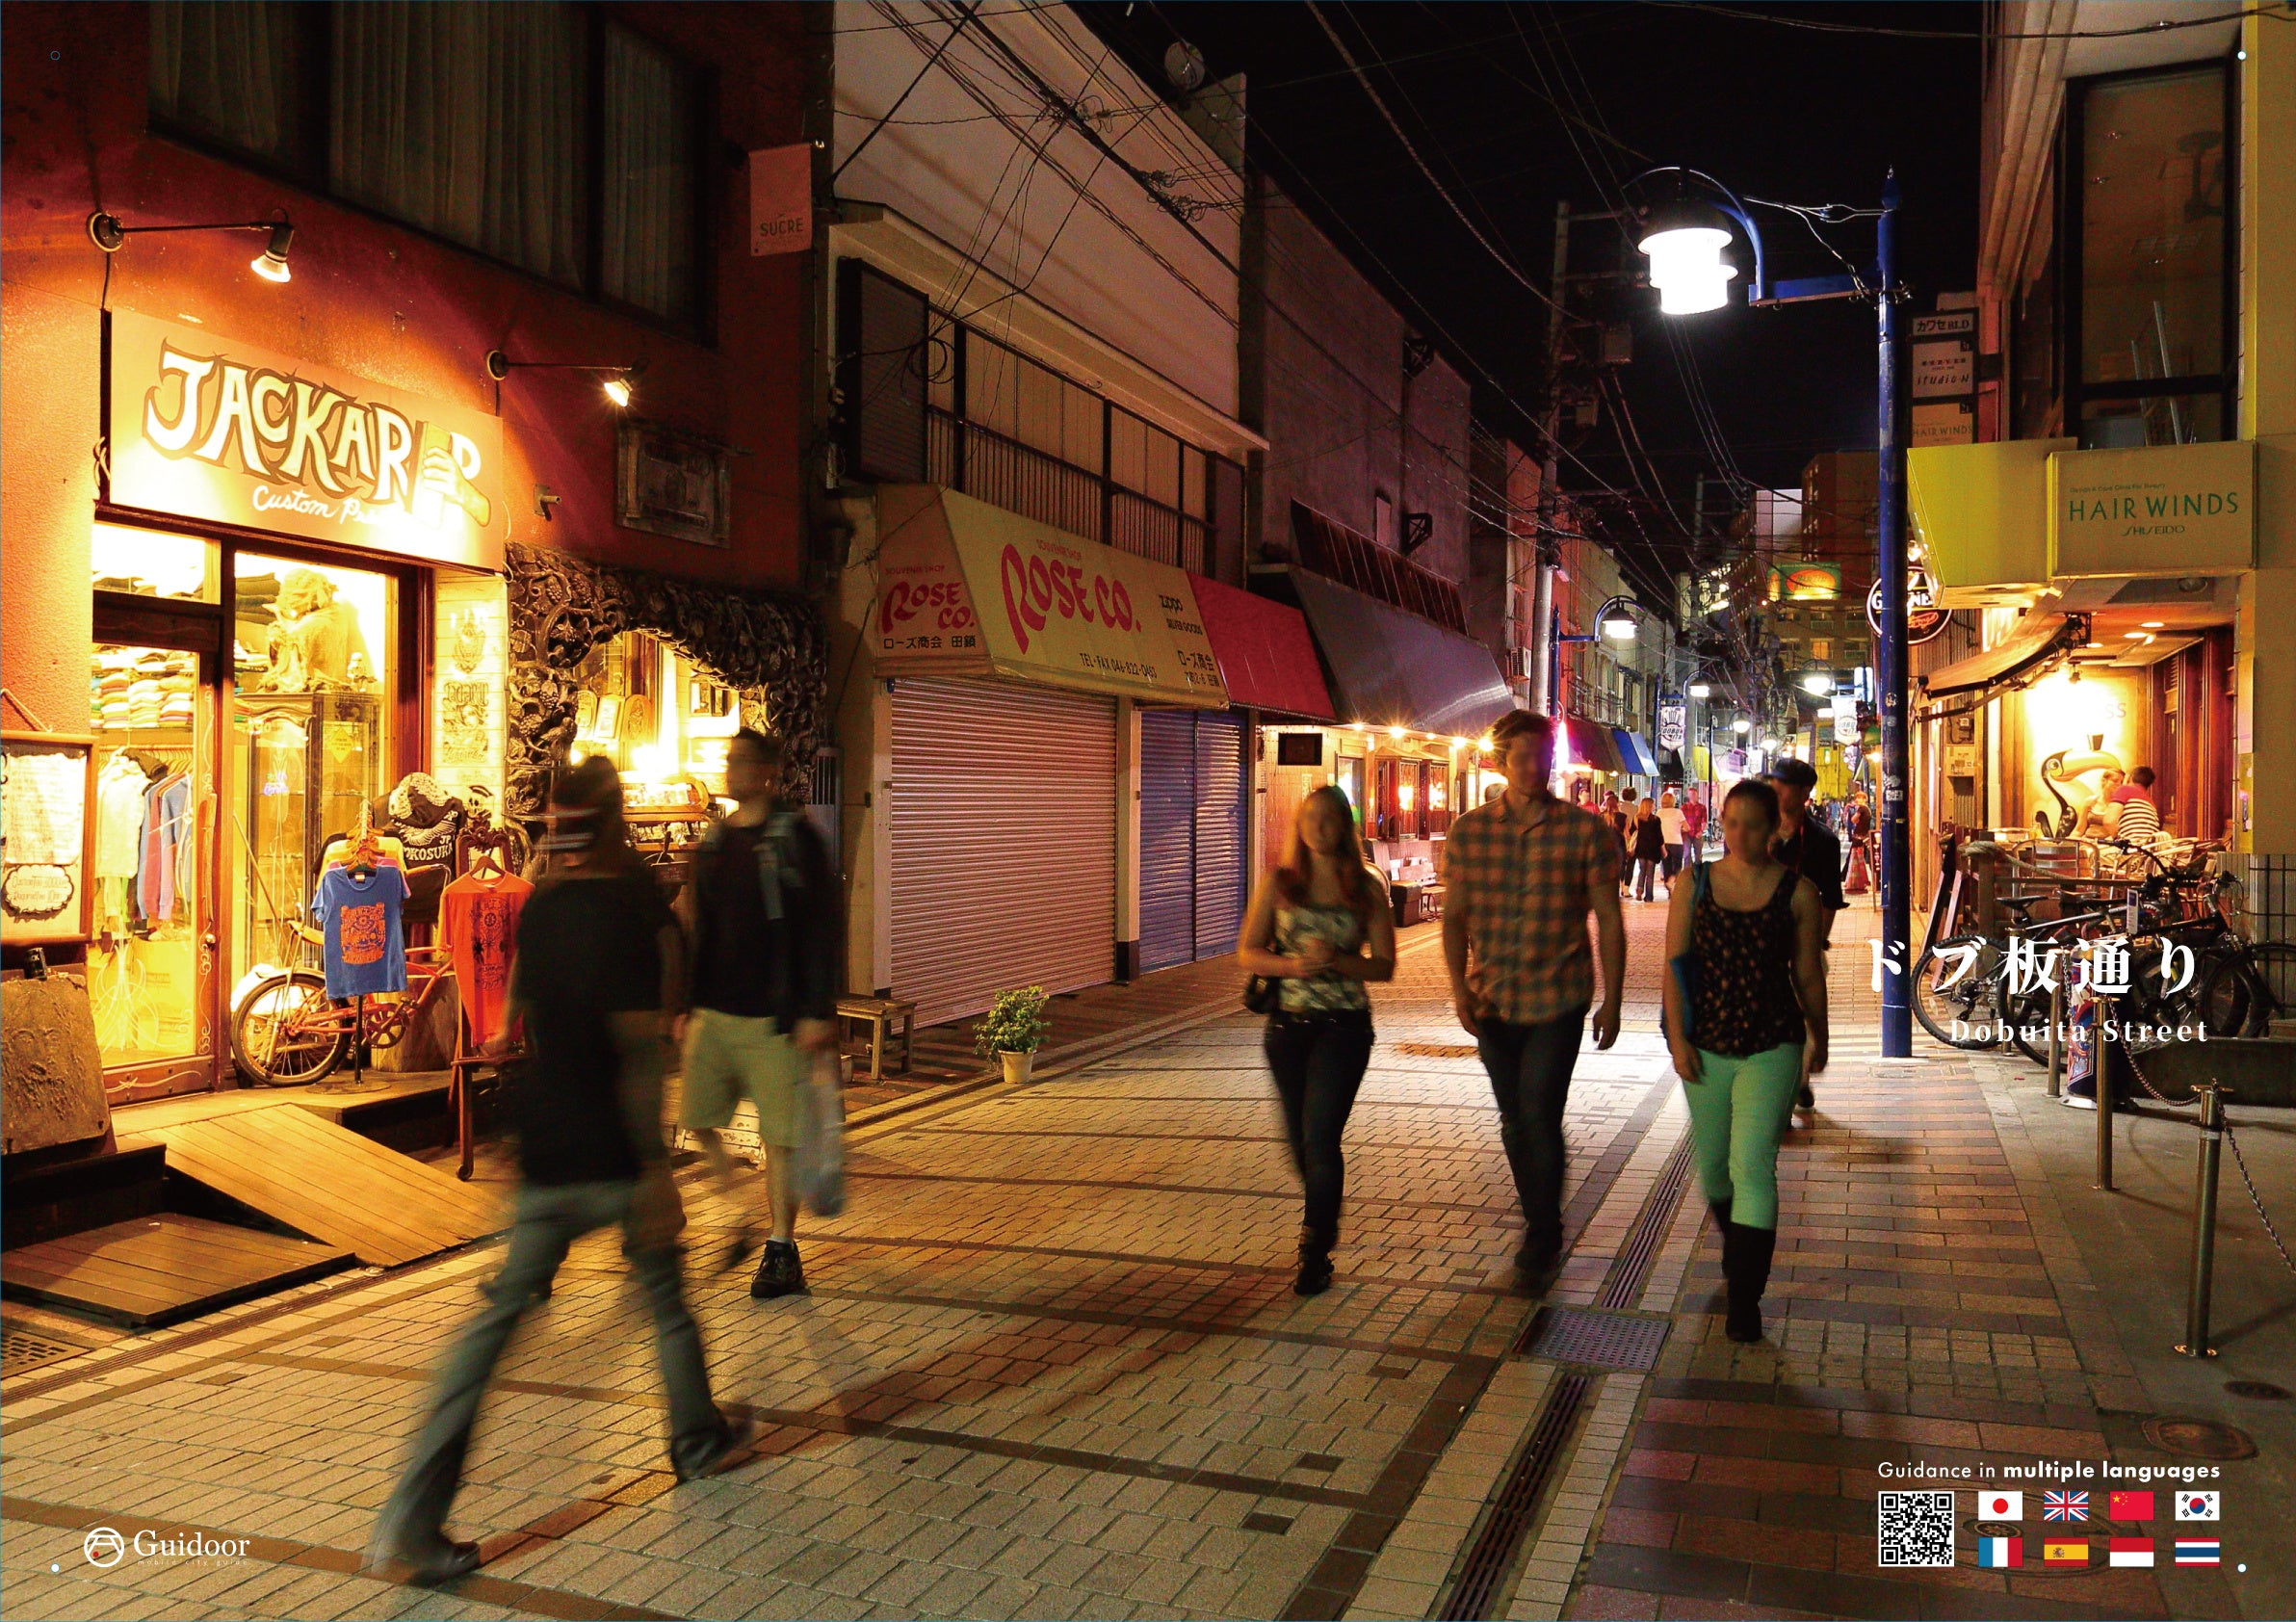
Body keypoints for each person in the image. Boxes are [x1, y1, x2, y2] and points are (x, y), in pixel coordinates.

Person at [372, 759, 748, 1584]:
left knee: (500, 1324)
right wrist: (654, 1168)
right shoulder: (630, 909)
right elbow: (639, 1046)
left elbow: (514, 1026)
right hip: (610, 1148)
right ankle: (694, 1439)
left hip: (544, 1142)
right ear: (619, 823)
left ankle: (413, 1511)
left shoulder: (542, 906)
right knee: (664, 1293)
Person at [1443, 711, 1626, 1290]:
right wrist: (1456, 987)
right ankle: (1539, 1218)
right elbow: (1453, 918)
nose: (1532, 767)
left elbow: (1609, 921)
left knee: (1540, 1112)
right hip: (1494, 998)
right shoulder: (1470, 833)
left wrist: (1613, 999)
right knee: (1515, 1121)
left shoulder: (1585, 832)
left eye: (1541, 757)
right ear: (1501, 762)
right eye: (1520, 757)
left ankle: (1542, 1230)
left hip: (1558, 996)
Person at [1661, 777, 1829, 1345]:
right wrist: (1677, 1039)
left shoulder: (1798, 893)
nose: (1740, 834)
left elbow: (1807, 973)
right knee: (1713, 1169)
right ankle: (1741, 1257)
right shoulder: (1694, 882)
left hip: (1772, 1042)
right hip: (1706, 1039)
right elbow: (1674, 962)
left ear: (1774, 828)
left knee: (1751, 1164)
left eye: (1753, 824)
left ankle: (1745, 1298)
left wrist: (1818, 1036)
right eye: (1731, 823)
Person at [679, 728, 842, 1300]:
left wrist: (817, 1009)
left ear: (768, 771)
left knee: (780, 1135)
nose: (733, 768)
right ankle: (737, 1218)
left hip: (776, 1017)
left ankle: (781, 1247)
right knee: (696, 1118)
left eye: (743, 760)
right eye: (730, 759)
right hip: (717, 1012)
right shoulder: (716, 841)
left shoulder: (795, 837)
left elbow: (822, 926)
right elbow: (702, 924)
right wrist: (689, 1004)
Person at [1239, 786, 1398, 1295]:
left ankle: (1314, 1249)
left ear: (1344, 827)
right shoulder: (1281, 883)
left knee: (1321, 1137)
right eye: (1309, 818)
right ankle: (1323, 1213)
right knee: (1300, 1147)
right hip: (1287, 1028)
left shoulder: (1366, 888)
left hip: (1344, 1029)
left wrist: (1337, 959)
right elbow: (1248, 951)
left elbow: (1386, 965)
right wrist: (1291, 965)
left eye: (1329, 819)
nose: (1318, 827)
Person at [1765, 758, 1844, 1113]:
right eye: (1772, 782)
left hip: (1802, 943)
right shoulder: (1755, 830)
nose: (1773, 789)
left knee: (1802, 1014)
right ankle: (1783, 1085)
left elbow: (1830, 898)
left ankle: (1797, 1081)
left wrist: (1816, 944)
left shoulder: (1822, 840)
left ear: (1802, 793)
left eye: (1780, 784)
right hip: (1757, 944)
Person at [1631, 797, 1666, 903]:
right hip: (1652, 849)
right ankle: (1649, 896)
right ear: (1650, 806)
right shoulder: (1655, 820)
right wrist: (1663, 849)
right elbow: (1659, 836)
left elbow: (1632, 832)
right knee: (1650, 874)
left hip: (1641, 848)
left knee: (1642, 870)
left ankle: (1639, 889)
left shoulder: (1637, 819)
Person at [1657, 790, 1686, 885]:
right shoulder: (1678, 812)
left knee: (1666, 866)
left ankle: (1668, 886)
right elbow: (1687, 827)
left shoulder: (1659, 813)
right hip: (1676, 841)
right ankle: (1673, 880)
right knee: (1677, 865)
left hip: (1663, 842)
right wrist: (1679, 829)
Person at [1681, 792, 1709, 858]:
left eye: (1694, 794)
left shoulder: (1702, 807)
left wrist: (1701, 831)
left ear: (1697, 795)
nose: (1692, 796)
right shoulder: (1684, 807)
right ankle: (1688, 867)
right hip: (1686, 833)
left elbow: (1704, 821)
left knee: (1698, 854)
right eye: (1691, 794)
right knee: (1687, 854)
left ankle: (1697, 867)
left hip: (1697, 832)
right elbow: (1680, 820)